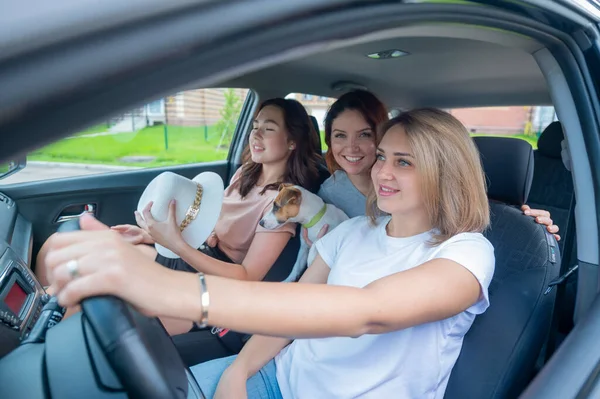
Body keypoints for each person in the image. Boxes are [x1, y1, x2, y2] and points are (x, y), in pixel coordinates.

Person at [45, 108, 496, 398]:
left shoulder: (468, 253)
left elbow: (368, 311)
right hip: (274, 377)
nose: (381, 171)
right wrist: (239, 372)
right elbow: (293, 310)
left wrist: (163, 287)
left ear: (444, 173)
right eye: (382, 156)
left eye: (404, 161)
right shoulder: (354, 231)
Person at [36, 98, 322, 289]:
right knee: (57, 244)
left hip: (206, 277)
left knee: (87, 272)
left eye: (268, 129)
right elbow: (209, 232)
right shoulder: (244, 174)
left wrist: (176, 245)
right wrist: (151, 237)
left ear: (292, 142)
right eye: (254, 126)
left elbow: (247, 276)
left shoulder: (284, 205)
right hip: (190, 252)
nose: (255, 135)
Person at [311, 89, 561, 242]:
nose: (351, 147)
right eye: (340, 135)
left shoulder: (434, 200)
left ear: (381, 134)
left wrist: (525, 228)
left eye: (364, 134)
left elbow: (464, 215)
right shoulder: (330, 195)